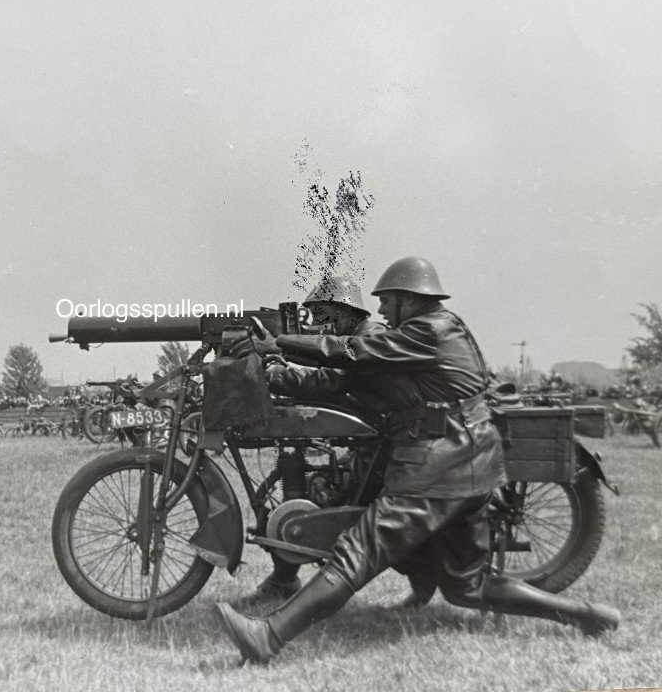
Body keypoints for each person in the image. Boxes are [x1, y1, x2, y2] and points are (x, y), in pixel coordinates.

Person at [216, 256, 620, 664]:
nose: (382, 310)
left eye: (388, 301)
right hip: (470, 461)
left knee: (357, 551)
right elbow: (343, 371)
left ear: (409, 299)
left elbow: (352, 351)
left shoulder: (431, 330)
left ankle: (267, 637)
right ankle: (587, 617)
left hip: (440, 460)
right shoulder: (428, 329)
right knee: (467, 585)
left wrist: (277, 345)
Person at [231, 276, 387, 608]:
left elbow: (328, 379)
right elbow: (322, 366)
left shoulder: (368, 339)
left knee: (322, 501)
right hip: (370, 446)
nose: (316, 324)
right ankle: (284, 577)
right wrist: (279, 362)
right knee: (309, 486)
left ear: (343, 312)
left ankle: (287, 578)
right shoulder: (356, 337)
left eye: (321, 315)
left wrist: (274, 372)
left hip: (383, 451)